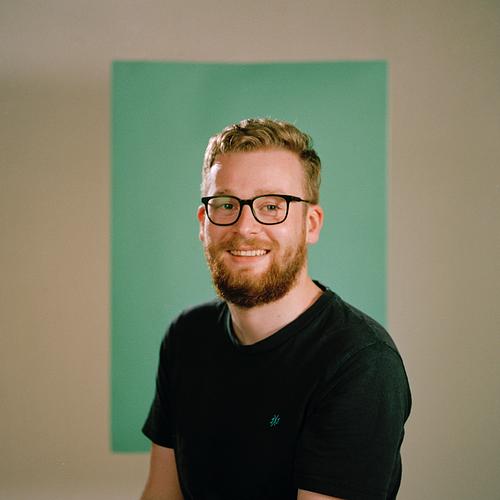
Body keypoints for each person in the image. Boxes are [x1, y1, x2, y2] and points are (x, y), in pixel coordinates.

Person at [141, 118, 411, 500]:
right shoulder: (186, 337)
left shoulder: (360, 363)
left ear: (310, 224)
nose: (245, 227)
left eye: (271, 206)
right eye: (226, 204)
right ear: (203, 224)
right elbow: (160, 494)